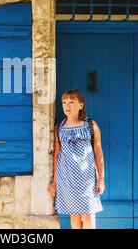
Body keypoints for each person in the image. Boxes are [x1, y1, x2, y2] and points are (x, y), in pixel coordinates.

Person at [48, 89, 105, 229]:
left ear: (81, 105)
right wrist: (54, 182)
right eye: (64, 102)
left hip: (87, 179)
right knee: (74, 217)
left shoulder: (91, 126)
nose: (67, 106)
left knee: (88, 217)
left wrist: (101, 179)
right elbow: (56, 155)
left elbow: (98, 152)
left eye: (72, 102)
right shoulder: (59, 129)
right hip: (67, 179)